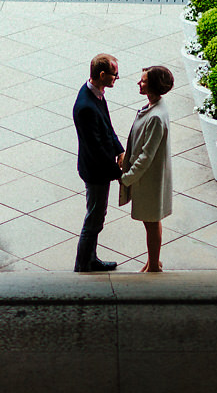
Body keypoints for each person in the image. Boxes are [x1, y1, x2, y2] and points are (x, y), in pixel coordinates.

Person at [117, 66, 175, 272]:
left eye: (142, 81)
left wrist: (127, 178)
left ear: (152, 86)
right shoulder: (155, 110)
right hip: (151, 179)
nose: (139, 83)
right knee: (152, 221)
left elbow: (146, 156)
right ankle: (153, 260)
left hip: (150, 181)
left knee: (151, 222)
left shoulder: (156, 117)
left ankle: (153, 266)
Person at [71, 53, 123, 271]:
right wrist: (120, 174)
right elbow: (97, 149)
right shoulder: (86, 107)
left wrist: (120, 150)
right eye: (114, 75)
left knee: (96, 215)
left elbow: (107, 128)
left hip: (99, 168)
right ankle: (83, 264)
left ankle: (90, 259)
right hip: (96, 171)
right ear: (102, 75)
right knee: (94, 219)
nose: (117, 79)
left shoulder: (97, 94)